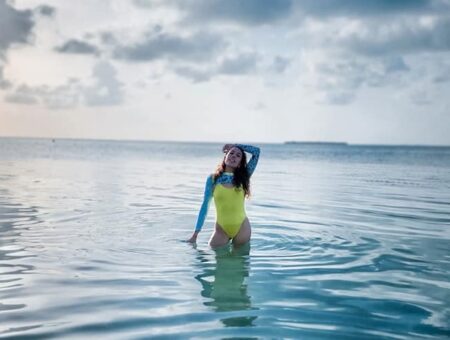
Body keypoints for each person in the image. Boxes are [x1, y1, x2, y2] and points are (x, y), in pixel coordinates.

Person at [187, 143, 260, 248]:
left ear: (240, 163)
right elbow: (205, 206)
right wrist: (195, 234)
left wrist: (234, 145)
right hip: (221, 229)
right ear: (225, 156)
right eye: (231, 153)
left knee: (240, 263)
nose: (234, 156)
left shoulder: (244, 176)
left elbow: (256, 152)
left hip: (242, 228)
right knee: (216, 258)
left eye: (238, 155)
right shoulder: (213, 179)